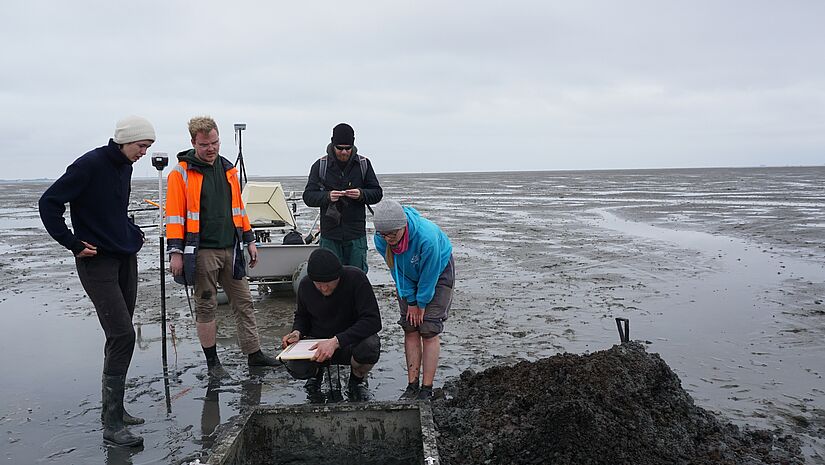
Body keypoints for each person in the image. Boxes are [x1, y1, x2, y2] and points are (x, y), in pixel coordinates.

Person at [39, 115, 156, 447]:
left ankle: (114, 409)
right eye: (141, 146)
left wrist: (132, 231)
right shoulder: (88, 165)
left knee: (119, 333)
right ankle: (112, 425)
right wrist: (72, 243)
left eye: (148, 147)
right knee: (122, 334)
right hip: (96, 260)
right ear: (124, 140)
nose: (144, 153)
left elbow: (114, 210)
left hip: (124, 257)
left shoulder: (125, 166)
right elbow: (48, 202)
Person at [166, 116, 278, 380]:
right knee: (206, 306)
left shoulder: (229, 169)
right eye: (205, 144)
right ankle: (213, 363)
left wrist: (250, 240)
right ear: (194, 143)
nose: (211, 148)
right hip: (201, 251)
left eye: (215, 142)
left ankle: (254, 355)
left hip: (232, 249)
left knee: (245, 302)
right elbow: (174, 216)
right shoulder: (180, 173)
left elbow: (239, 209)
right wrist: (176, 253)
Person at [372, 199, 455, 401]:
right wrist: (410, 300)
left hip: (438, 272)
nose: (389, 239)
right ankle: (412, 385)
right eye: (384, 234)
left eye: (393, 234)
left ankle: (426, 389)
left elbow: (430, 275)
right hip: (405, 276)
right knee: (410, 327)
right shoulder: (380, 239)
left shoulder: (427, 237)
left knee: (428, 329)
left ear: (403, 226)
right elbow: (396, 270)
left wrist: (422, 303)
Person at [281, 248, 382, 402]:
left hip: (349, 342)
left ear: (338, 277)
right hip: (317, 343)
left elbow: (373, 320)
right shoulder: (305, 285)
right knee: (297, 367)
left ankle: (357, 379)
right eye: (319, 284)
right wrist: (297, 332)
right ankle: (315, 375)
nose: (324, 288)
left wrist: (336, 341)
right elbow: (302, 316)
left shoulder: (356, 278)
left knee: (371, 346)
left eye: (328, 283)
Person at [302, 123, 382, 273]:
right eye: (340, 148)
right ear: (333, 144)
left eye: (348, 148)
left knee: (357, 277)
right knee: (329, 276)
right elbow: (308, 197)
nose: (344, 152)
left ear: (353, 144)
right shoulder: (320, 166)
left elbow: (377, 193)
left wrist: (361, 194)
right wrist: (327, 196)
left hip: (356, 235)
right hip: (330, 235)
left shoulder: (363, 164)